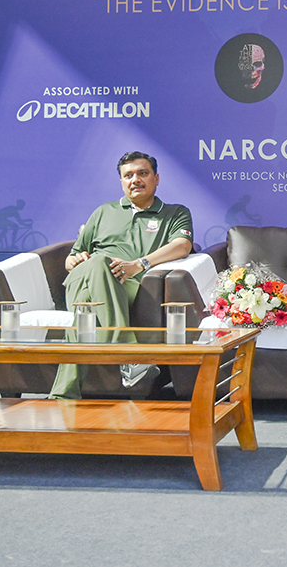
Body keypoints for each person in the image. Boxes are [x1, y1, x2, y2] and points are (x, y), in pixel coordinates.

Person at [49, 151, 194, 399]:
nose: (135, 179)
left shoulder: (175, 213)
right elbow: (71, 258)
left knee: (84, 309)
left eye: (142, 173)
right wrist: (76, 259)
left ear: (156, 178)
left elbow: (183, 245)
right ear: (121, 181)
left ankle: (63, 395)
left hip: (129, 284)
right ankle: (129, 355)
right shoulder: (103, 212)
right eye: (128, 175)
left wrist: (139, 264)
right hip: (82, 278)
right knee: (98, 261)